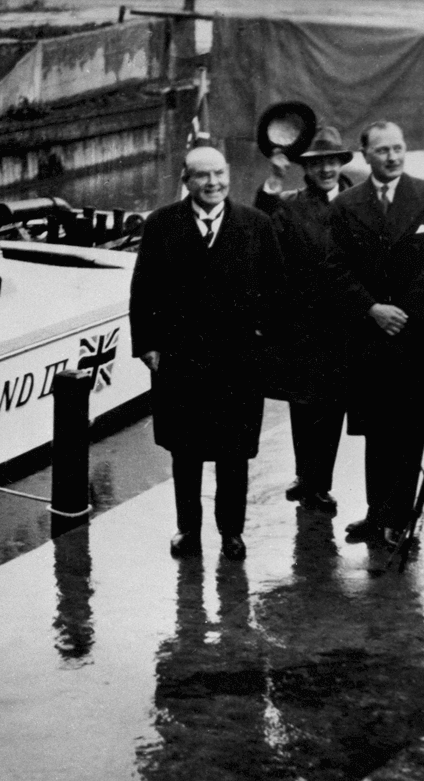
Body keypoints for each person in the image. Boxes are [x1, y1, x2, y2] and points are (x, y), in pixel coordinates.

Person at [130, 145, 286, 561]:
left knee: (234, 453)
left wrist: (262, 338)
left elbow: (276, 289)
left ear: (229, 174)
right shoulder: (162, 223)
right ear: (186, 180)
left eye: (218, 173)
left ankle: (232, 532)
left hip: (238, 361)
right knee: (186, 452)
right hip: (181, 359)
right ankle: (188, 530)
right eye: (202, 175)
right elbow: (143, 288)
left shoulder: (256, 224)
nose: (213, 183)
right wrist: (147, 345)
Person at [328, 121, 424, 549]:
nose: (392, 157)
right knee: (377, 426)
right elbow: (336, 266)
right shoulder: (346, 205)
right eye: (383, 150)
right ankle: (377, 512)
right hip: (370, 333)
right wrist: (372, 309)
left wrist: (403, 313)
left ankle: (399, 517)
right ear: (365, 155)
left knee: (411, 427)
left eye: (398, 148)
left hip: (419, 333)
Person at [253, 127, 355, 515]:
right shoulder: (291, 205)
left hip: (344, 321)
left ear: (341, 163)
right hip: (303, 323)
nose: (326, 170)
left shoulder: (358, 202)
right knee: (303, 403)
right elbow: (260, 224)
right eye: (317, 164)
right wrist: (273, 181)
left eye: (332, 162)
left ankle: (319, 484)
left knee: (332, 406)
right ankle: (305, 475)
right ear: (306, 169)